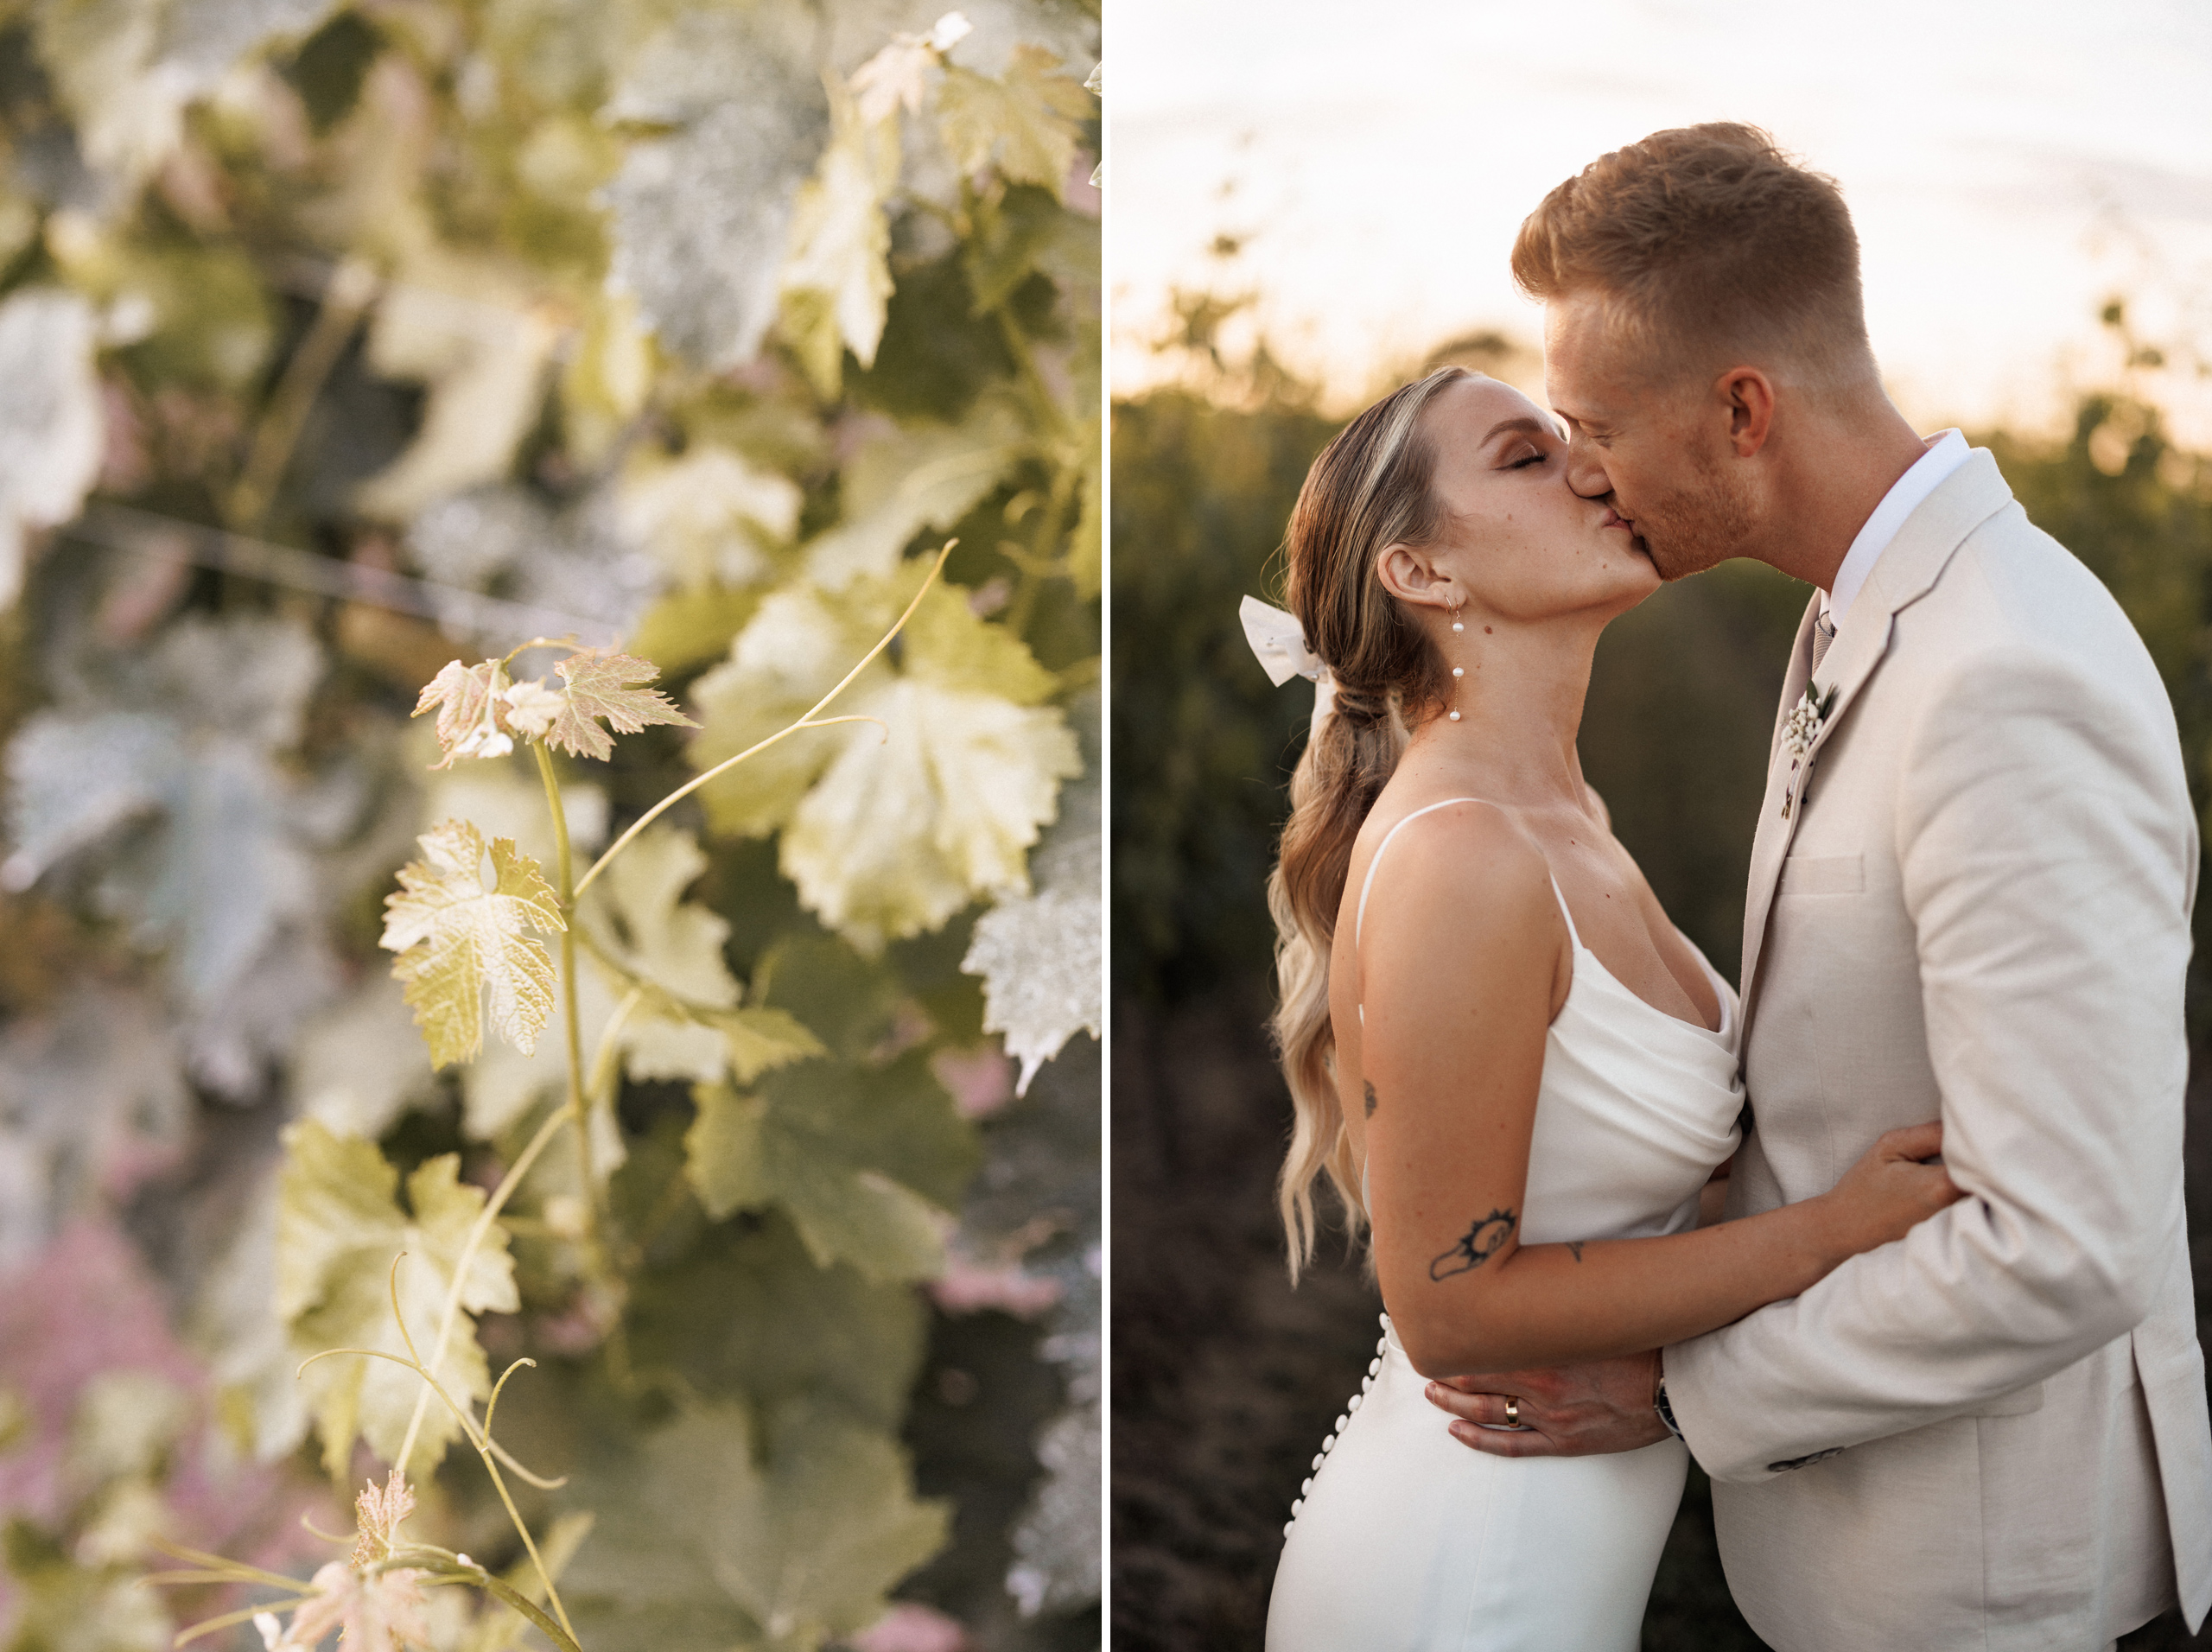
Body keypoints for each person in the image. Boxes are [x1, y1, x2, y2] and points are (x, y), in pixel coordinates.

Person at [1415, 124, 2212, 1651]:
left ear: (1741, 411)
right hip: (1863, 1558)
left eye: (1595, 423)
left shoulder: (2005, 677)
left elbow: (2069, 1244)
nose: (1581, 470)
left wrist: (1675, 1386)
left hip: (1985, 1587)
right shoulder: (1859, 614)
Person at [1252, 359, 1965, 1651]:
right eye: (1525, 458)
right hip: (1462, 1580)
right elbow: (1449, 1310)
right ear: (1423, 572)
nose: (1589, 466)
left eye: (1570, 438)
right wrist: (1828, 1234)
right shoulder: (1465, 858)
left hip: (1550, 1557)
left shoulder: (1567, 819)